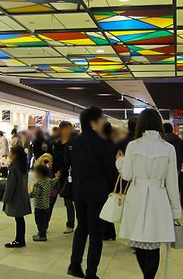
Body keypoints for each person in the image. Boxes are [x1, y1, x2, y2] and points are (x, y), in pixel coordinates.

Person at [116, 109, 181, 279]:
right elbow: (172, 182)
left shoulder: (133, 145)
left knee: (138, 241)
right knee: (153, 243)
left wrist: (120, 162)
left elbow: (127, 175)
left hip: (136, 196)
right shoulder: (168, 148)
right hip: (158, 198)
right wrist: (176, 211)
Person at [68, 106, 118, 279]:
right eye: (101, 119)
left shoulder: (76, 141)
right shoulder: (102, 143)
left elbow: (71, 164)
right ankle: (91, 273)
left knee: (81, 227)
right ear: (93, 123)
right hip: (97, 193)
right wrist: (115, 189)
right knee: (96, 234)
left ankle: (74, 264)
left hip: (78, 191)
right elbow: (110, 170)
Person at [47, 121, 76, 234]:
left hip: (67, 177)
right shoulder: (55, 144)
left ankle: (70, 224)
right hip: (55, 177)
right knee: (50, 201)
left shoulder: (73, 143)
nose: (69, 131)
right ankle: (44, 225)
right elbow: (48, 157)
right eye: (66, 129)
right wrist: (49, 164)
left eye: (70, 128)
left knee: (68, 201)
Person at [3, 145, 32, 248]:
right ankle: (20, 239)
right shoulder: (22, 165)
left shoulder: (14, 167)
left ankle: (19, 240)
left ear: (15, 154)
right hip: (22, 195)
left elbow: (11, 185)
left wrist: (6, 199)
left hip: (16, 196)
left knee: (18, 218)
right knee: (20, 218)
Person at [29, 164, 60, 241]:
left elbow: (34, 194)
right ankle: (43, 232)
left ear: (39, 174)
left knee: (38, 221)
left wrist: (27, 195)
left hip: (39, 206)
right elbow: (54, 181)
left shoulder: (38, 184)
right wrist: (57, 177)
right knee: (43, 220)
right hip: (46, 205)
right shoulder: (48, 181)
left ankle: (42, 235)